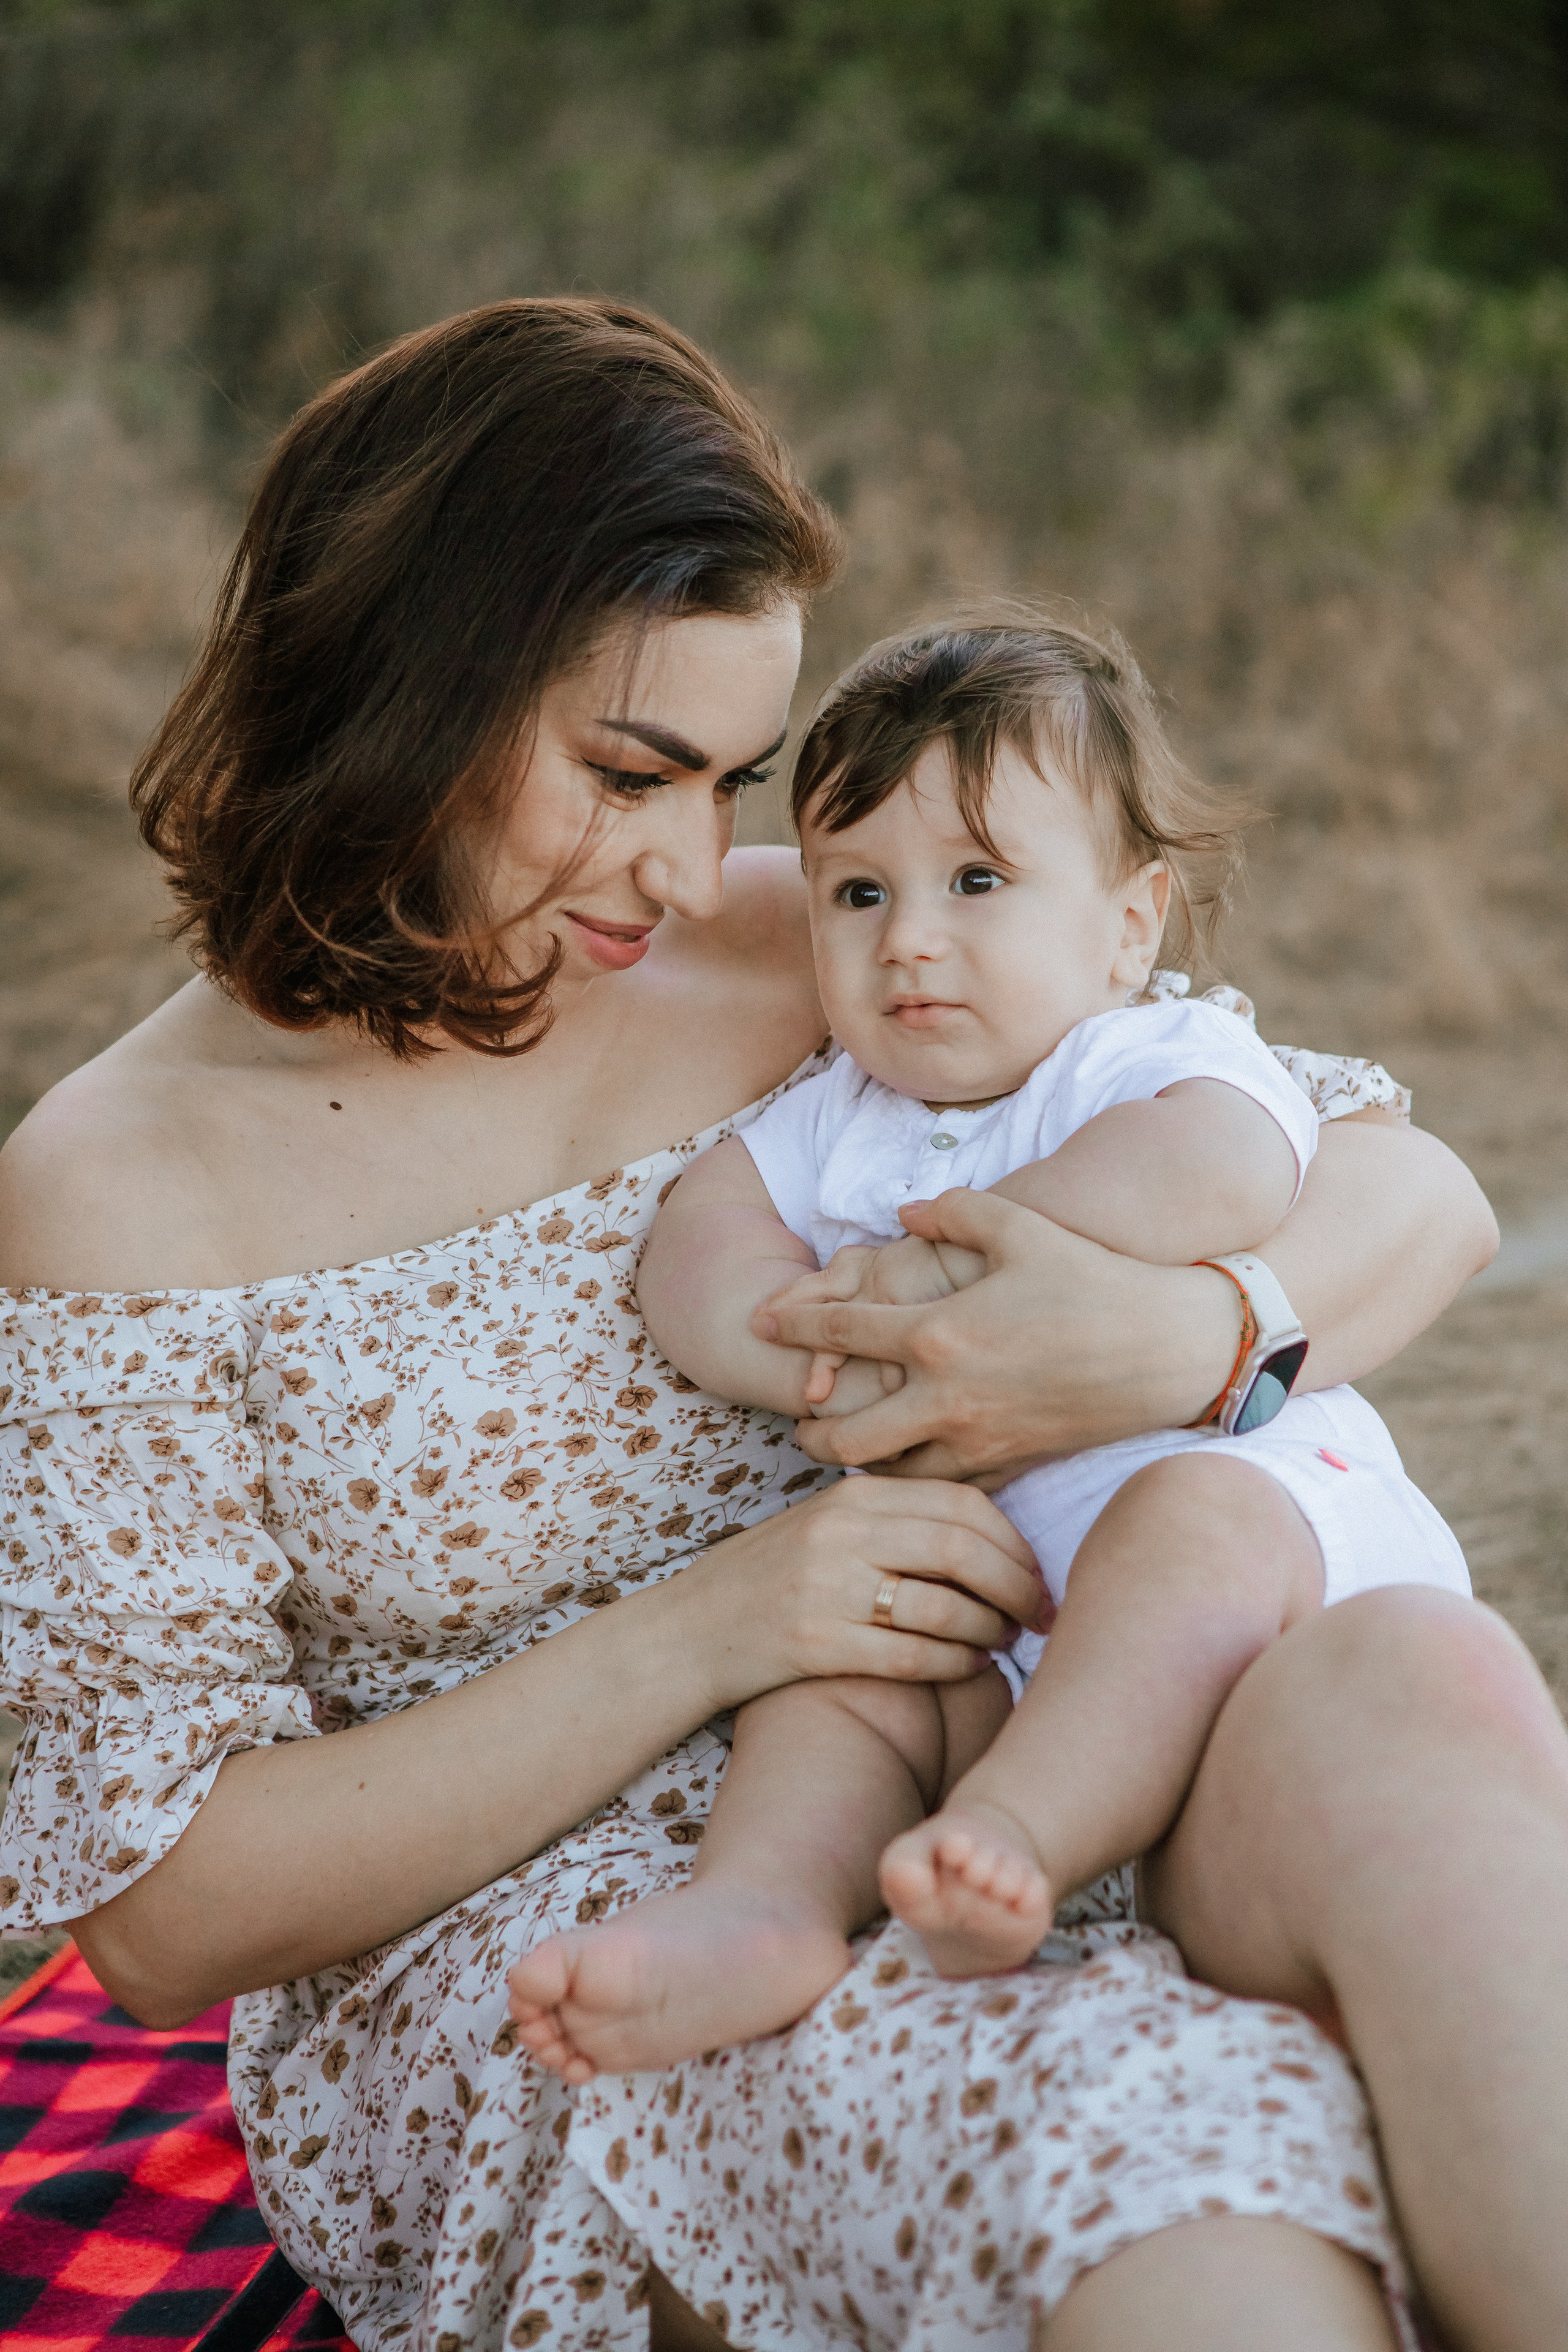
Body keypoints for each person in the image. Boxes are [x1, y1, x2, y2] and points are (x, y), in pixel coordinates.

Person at [0, 299, 1561, 2352]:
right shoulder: (120, 1181)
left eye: (730, 777)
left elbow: (1399, 1185)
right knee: (1183, 2129)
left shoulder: (802, 938)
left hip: (1058, 1723)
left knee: (1422, 1695)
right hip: (594, 1936)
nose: (684, 856)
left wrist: (1194, 1336)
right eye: (627, 770)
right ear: (405, 685)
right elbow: (168, 1915)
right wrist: (729, 1620)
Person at [507, 615, 1474, 2081]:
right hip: (1000, 1609)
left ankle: (1010, 1840)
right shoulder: (837, 1109)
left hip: (1265, 1562)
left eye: (975, 883)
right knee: (839, 1682)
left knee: (1187, 1526)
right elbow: (696, 1250)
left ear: (1126, 924)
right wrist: (787, 1349)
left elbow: (1225, 1168)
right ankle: (761, 1910)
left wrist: (955, 1267)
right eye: (854, 893)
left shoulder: (1140, 1056)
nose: (909, 940)